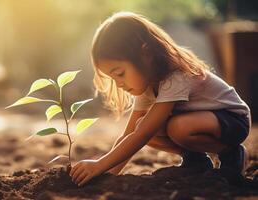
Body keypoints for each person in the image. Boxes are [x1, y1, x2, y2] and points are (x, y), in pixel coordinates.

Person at [69, 12, 251, 187]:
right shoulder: (146, 85)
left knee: (172, 127)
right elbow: (129, 134)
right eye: (113, 78)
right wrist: (107, 173)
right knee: (143, 124)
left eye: (120, 74)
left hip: (233, 119)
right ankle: (196, 161)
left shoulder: (176, 77)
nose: (119, 84)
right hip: (201, 121)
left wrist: (100, 164)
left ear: (146, 55)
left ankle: (231, 153)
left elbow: (142, 134)